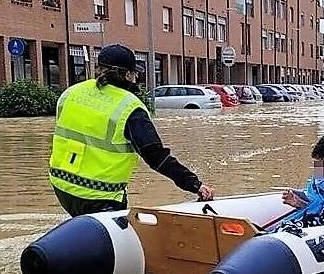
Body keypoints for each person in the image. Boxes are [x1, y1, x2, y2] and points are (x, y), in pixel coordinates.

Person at [48, 44, 215, 217]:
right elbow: (157, 157)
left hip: (62, 186)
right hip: (99, 196)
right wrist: (195, 185)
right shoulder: (130, 109)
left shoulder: (71, 93)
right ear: (128, 74)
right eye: (135, 73)